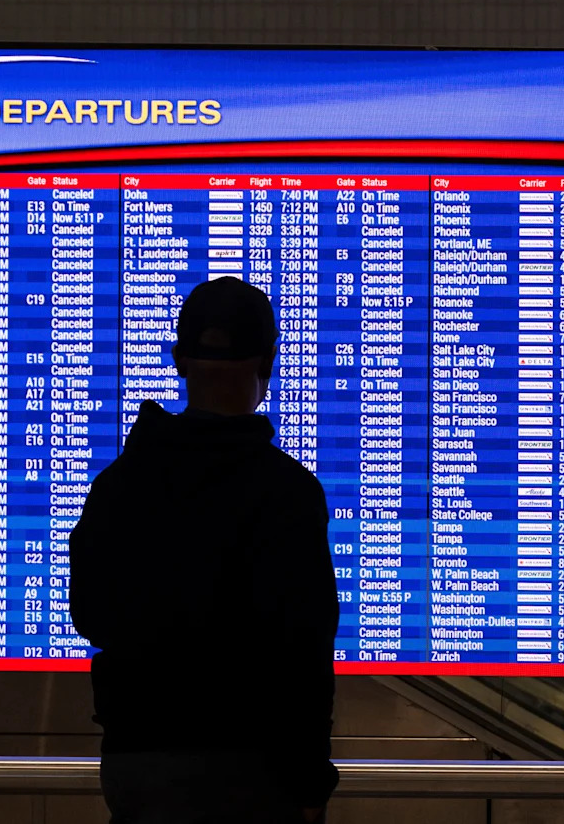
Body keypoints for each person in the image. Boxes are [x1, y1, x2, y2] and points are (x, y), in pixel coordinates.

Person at [70, 277, 340, 824]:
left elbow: (91, 613)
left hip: (137, 759)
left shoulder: (120, 484)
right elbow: (305, 650)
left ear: (178, 360)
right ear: (268, 362)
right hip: (252, 769)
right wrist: (311, 780)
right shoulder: (287, 492)